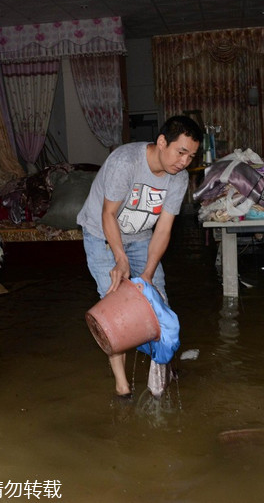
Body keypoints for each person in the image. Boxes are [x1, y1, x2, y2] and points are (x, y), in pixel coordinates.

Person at [77, 115, 203, 398]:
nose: (184, 162)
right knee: (114, 304)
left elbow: (164, 228)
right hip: (101, 234)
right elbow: (108, 214)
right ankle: (122, 385)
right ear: (161, 142)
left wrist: (146, 274)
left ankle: (161, 369)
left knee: (158, 296)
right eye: (180, 152)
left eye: (190, 156)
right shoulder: (126, 162)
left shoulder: (179, 179)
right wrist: (120, 259)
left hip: (141, 236)